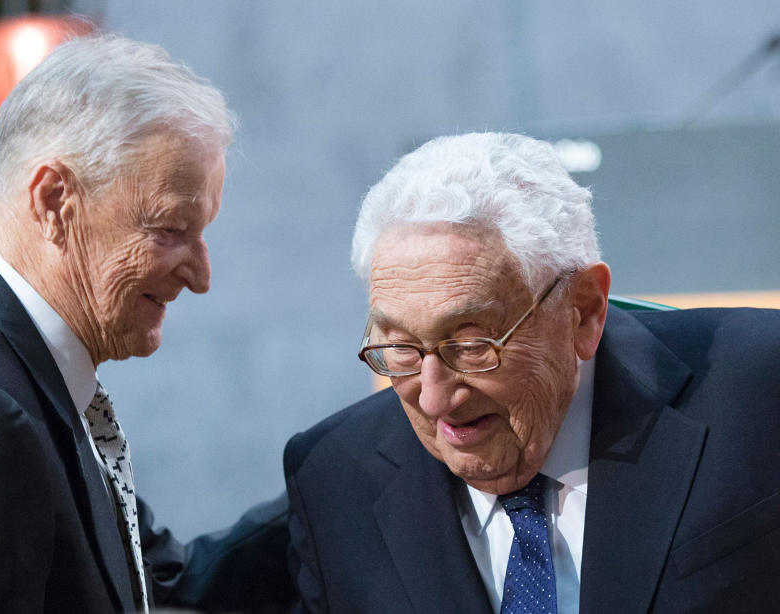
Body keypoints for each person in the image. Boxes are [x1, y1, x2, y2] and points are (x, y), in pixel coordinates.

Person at [0, 35, 291, 613]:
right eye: (170, 229)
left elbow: (161, 576)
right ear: (53, 199)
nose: (200, 276)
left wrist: (357, 455)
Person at [283, 132, 780, 612]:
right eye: (401, 348)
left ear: (583, 309)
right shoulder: (332, 479)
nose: (434, 401)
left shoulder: (759, 386)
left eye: (471, 344)